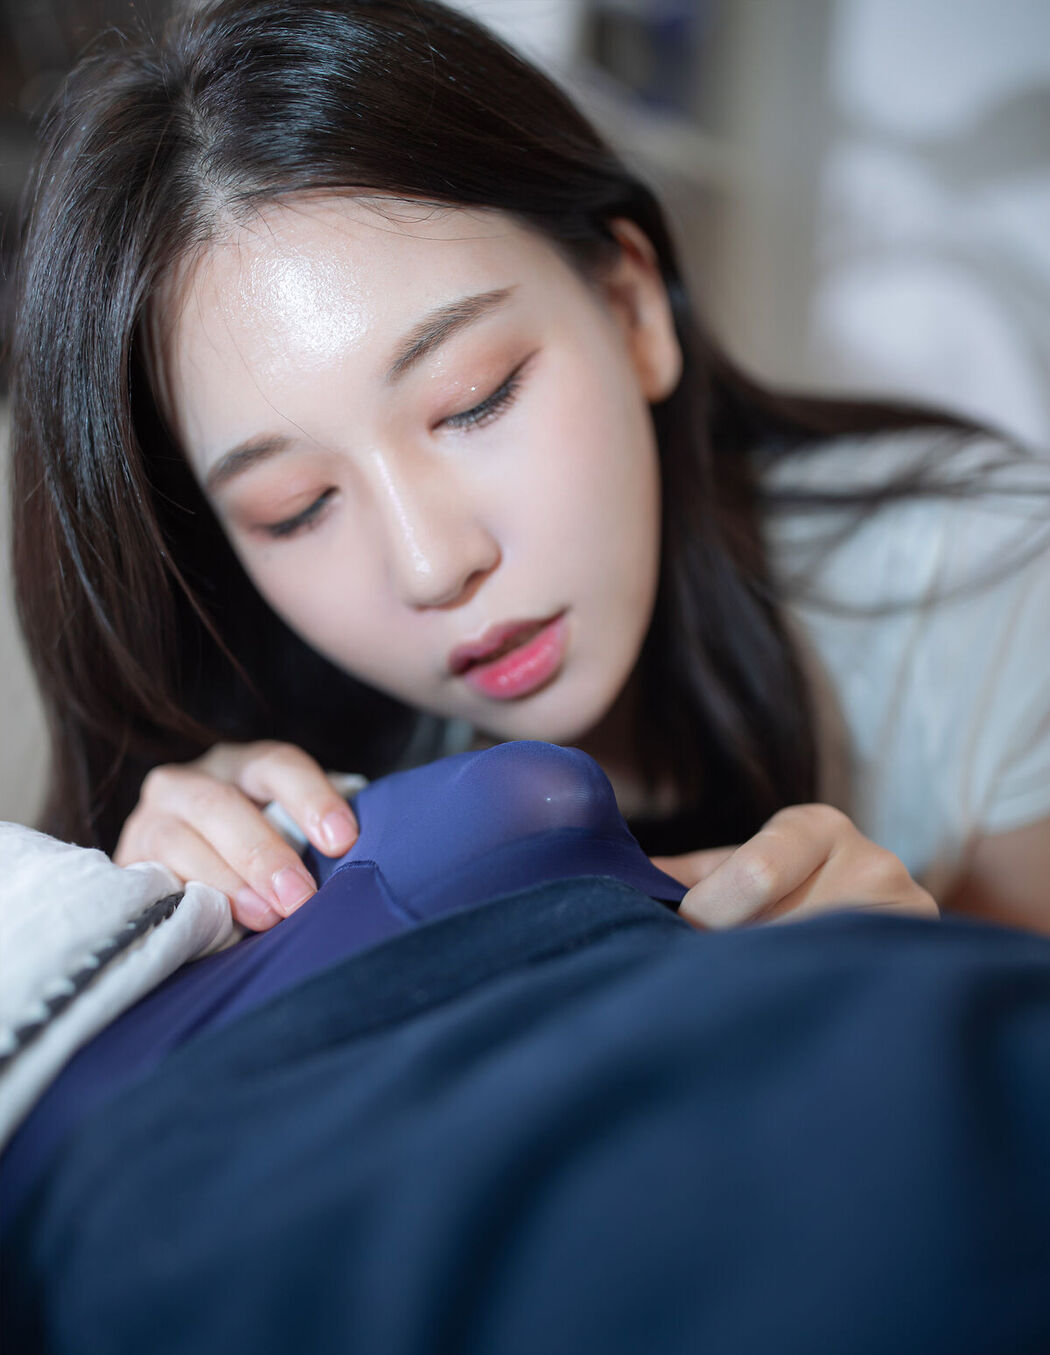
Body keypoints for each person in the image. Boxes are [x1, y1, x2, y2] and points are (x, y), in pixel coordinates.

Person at [8, 0, 1049, 937]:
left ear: (632, 309)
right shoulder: (281, 749)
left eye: (476, 400)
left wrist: (939, 982)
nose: (432, 564)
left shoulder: (987, 594)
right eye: (298, 508)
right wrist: (170, 927)